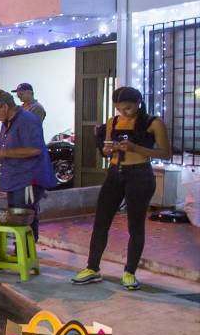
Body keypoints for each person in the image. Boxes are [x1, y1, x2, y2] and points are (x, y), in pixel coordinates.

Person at [72, 87, 171, 290]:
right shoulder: (113, 122)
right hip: (115, 173)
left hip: (140, 175)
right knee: (101, 221)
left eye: (128, 108)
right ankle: (92, 268)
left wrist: (135, 148)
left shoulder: (153, 122)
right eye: (119, 109)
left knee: (135, 226)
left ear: (138, 103)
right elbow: (107, 148)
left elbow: (166, 153)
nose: (124, 112)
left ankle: (129, 272)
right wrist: (107, 149)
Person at [0, 90, 56, 241]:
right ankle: (21, 252)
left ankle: (26, 253)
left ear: (4, 107)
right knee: (15, 215)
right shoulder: (6, 124)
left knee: (24, 216)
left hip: (28, 180)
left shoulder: (27, 120)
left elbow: (34, 149)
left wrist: (1, 154)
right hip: (14, 179)